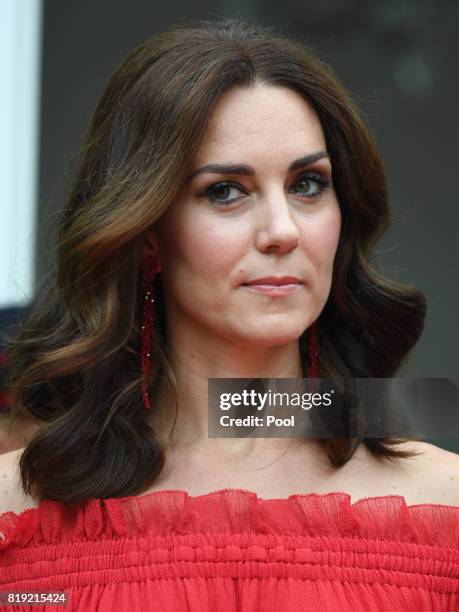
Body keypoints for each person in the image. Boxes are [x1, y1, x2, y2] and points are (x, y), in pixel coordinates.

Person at [0, 18, 458, 611]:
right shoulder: (17, 520)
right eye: (225, 191)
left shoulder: (444, 510)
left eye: (309, 184)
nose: (282, 231)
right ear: (146, 237)